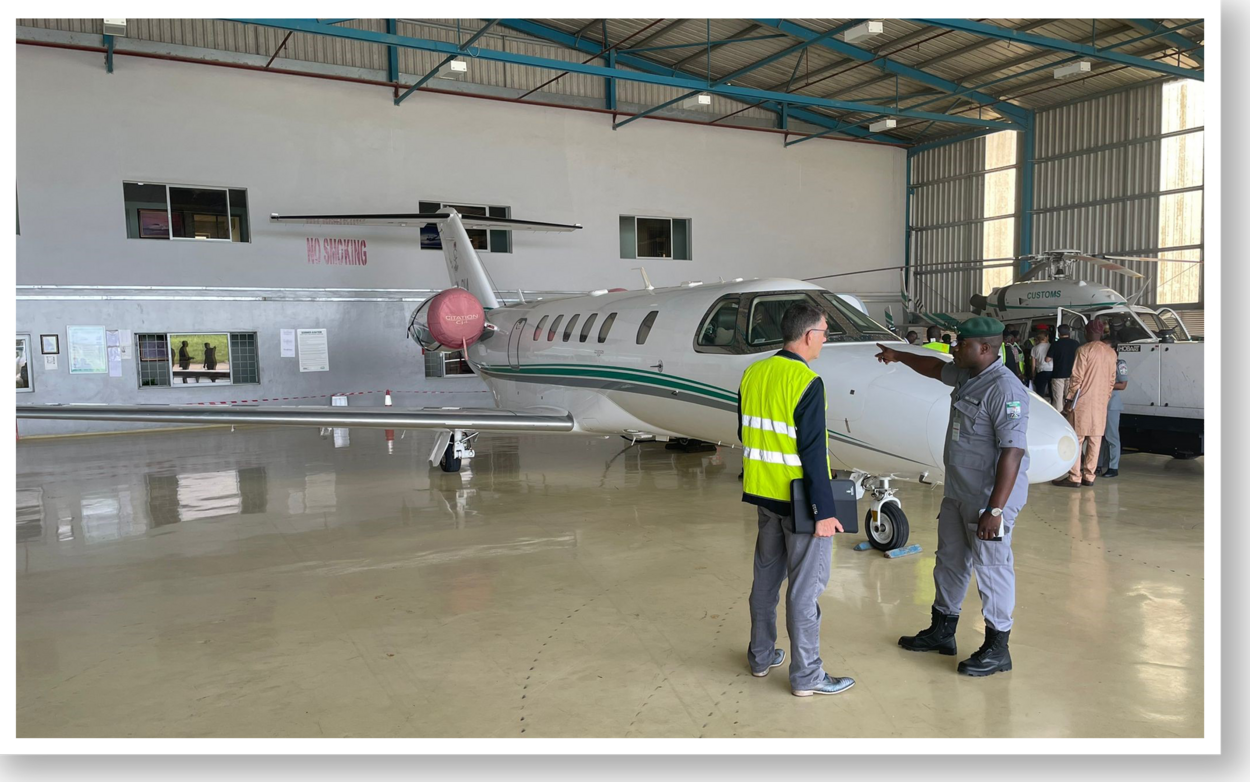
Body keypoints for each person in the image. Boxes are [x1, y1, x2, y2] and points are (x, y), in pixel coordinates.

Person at [875, 317, 1028, 677]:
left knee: (992, 567)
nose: (954, 348)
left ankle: (998, 647)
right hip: (959, 490)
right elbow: (934, 367)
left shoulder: (1005, 389)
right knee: (949, 561)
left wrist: (995, 510)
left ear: (985, 348)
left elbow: (1013, 452)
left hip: (988, 497)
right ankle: (942, 630)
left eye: (961, 344)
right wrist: (899, 355)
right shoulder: (967, 375)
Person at [739, 302, 854, 697]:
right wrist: (824, 512)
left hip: (764, 495)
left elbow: (745, 431)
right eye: (824, 333)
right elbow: (813, 453)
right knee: (805, 592)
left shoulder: (754, 373)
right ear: (809, 335)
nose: (824, 340)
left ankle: (760, 657)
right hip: (802, 504)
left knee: (765, 582)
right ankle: (807, 677)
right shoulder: (807, 382)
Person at [1052, 320, 1118, 488]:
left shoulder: (1084, 350)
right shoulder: (1111, 353)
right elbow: (1112, 380)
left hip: (1082, 402)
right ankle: (1089, 476)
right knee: (1095, 439)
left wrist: (1069, 400)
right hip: (1100, 403)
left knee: (1077, 439)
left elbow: (1077, 378)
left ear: (1087, 333)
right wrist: (1105, 397)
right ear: (1101, 333)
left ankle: (1075, 477)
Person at [1096, 337, 1130, 479]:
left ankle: (1113, 466)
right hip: (1099, 403)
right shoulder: (1099, 362)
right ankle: (1097, 464)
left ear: (1114, 350)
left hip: (1111, 405)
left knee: (1111, 436)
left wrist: (1104, 385)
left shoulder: (1120, 364)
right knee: (1098, 436)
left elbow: (1123, 384)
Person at [1047, 324, 1079, 411]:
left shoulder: (1055, 344)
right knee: (1069, 398)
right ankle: (1069, 415)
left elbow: (1047, 359)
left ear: (1059, 333)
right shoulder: (1075, 343)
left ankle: (1058, 416)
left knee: (1058, 398)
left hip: (1058, 374)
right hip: (1072, 374)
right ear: (1069, 332)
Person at [1029, 328, 1053, 399]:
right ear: (1046, 337)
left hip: (1041, 371)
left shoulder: (1034, 348)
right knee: (1052, 392)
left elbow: (1033, 364)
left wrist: (1033, 374)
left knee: (1040, 393)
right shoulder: (1052, 346)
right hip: (1052, 371)